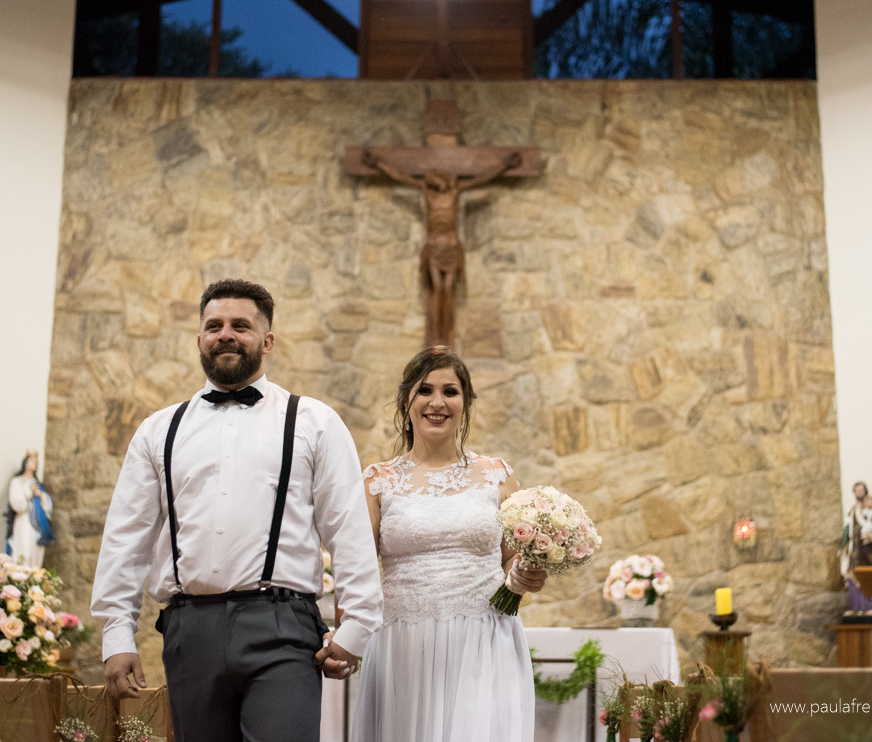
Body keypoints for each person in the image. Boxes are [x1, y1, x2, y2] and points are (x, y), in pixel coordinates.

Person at [91, 279, 383, 742]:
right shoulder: (158, 431)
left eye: (240, 325)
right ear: (200, 339)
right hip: (190, 628)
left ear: (266, 341)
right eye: (215, 325)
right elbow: (127, 537)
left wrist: (358, 625)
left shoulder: (313, 422)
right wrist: (116, 634)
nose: (226, 334)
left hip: (283, 626)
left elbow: (347, 527)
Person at [350, 346, 547, 742]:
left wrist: (525, 575)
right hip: (404, 642)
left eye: (450, 392)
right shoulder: (377, 481)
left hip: (484, 638)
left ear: (466, 402)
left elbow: (513, 559)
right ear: (407, 400)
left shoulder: (497, 475)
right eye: (425, 390)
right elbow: (356, 565)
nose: (437, 402)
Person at [360, 150, 522, 348]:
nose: (439, 182)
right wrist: (378, 164)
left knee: (448, 287)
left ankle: (445, 335)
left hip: (451, 248)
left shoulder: (455, 192)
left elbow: (480, 179)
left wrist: (505, 165)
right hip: (434, 249)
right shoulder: (427, 193)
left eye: (441, 179)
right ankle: (437, 335)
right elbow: (402, 177)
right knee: (437, 287)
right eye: (435, 179)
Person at [839, 481, 872, 614]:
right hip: (855, 552)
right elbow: (847, 532)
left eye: (861, 490)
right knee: (854, 578)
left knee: (869, 578)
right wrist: (844, 548)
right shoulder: (853, 512)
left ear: (865, 491)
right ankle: (856, 608)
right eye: (857, 490)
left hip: (870, 554)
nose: (859, 493)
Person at [5, 450, 54, 568]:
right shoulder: (17, 482)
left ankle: (34, 580)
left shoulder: (37, 484)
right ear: (26, 463)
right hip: (24, 521)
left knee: (35, 553)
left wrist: (41, 495)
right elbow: (18, 505)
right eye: (32, 461)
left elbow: (47, 507)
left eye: (36, 462)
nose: (35, 464)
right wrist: (29, 492)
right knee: (24, 552)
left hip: (38, 525)